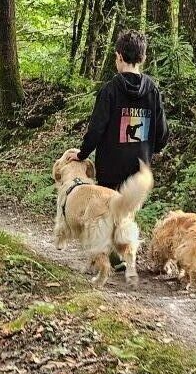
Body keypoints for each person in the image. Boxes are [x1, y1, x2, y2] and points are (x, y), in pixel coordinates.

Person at [63, 29, 169, 267]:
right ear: (142, 58)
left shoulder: (110, 89)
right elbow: (162, 134)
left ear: (119, 56)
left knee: (109, 211)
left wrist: (80, 154)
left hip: (110, 165)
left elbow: (96, 129)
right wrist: (150, 150)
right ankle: (122, 254)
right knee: (127, 211)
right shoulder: (152, 90)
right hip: (138, 165)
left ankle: (113, 256)